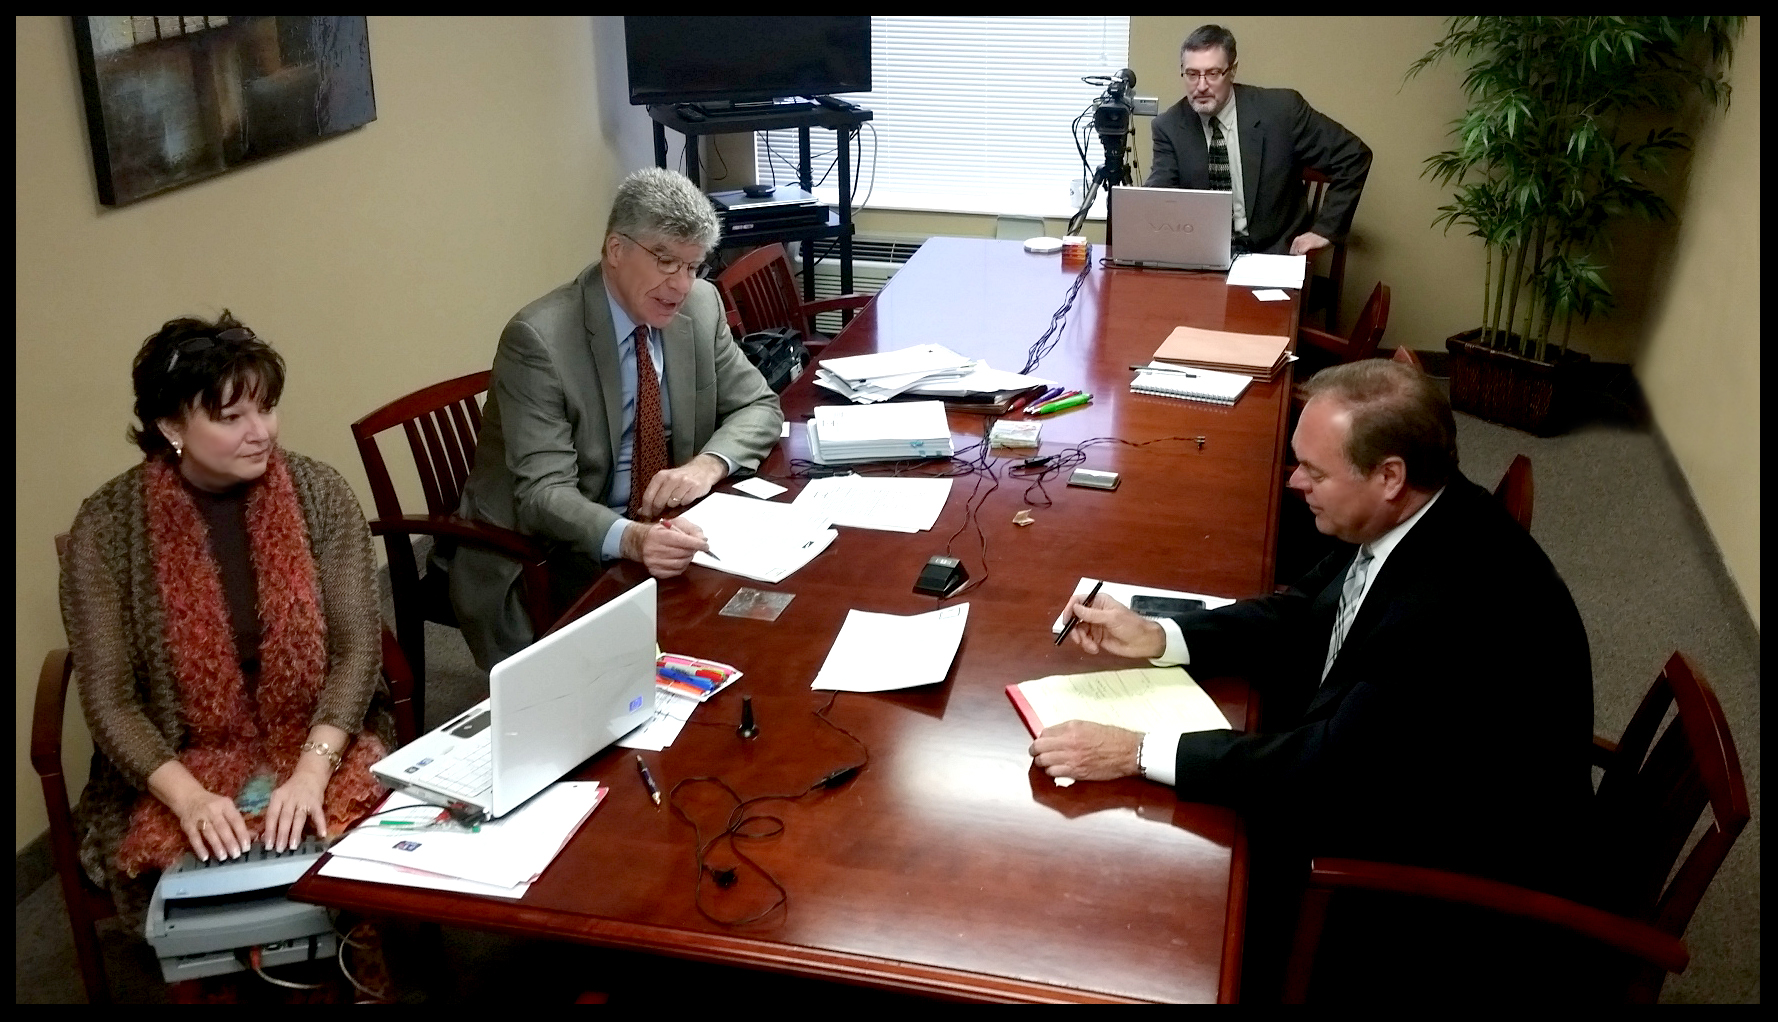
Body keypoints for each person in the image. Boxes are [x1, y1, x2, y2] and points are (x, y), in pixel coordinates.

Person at [1032, 360, 1594, 996]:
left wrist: (1135, 752)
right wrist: (1162, 636)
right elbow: (1304, 612)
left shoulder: (1446, 611)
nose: (1294, 482)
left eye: (1315, 471)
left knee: (1148, 902)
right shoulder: (1420, 515)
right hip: (1401, 769)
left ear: (1389, 476)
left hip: (1447, 889)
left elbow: (1325, 771)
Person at [60, 313, 393, 926]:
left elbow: (356, 652)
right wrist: (189, 798)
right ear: (171, 426)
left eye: (266, 408)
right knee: (195, 882)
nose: (260, 432)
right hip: (178, 757)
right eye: (231, 417)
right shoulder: (106, 528)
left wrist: (311, 771)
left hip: (320, 732)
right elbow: (110, 700)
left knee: (365, 850)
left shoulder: (321, 494)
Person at [449, 168, 783, 669]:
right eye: (665, 261)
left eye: (693, 266)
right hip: (555, 548)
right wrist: (632, 538)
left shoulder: (701, 305)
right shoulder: (539, 340)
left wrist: (706, 466)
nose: (681, 285)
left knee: (764, 627)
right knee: (669, 661)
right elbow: (543, 494)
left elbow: (759, 405)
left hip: (664, 522)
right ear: (615, 250)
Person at [1146, 24, 1372, 257]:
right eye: (1192, 74)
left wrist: (1325, 230)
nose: (1201, 86)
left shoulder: (1282, 111)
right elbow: (1159, 197)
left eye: (1212, 73)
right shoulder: (1169, 127)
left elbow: (1353, 156)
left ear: (1232, 70)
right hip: (1202, 254)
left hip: (1274, 253)